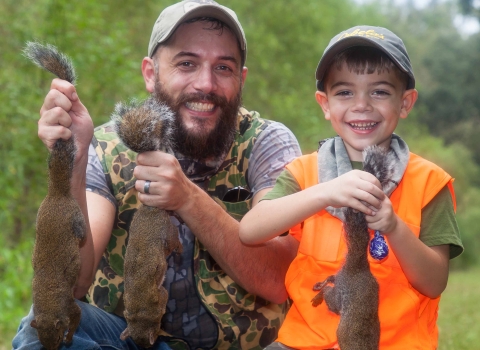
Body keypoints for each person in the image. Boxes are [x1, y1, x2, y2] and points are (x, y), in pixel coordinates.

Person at [13, 1, 302, 349]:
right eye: (187, 64)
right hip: (129, 339)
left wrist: (188, 199)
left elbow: (280, 279)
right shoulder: (107, 146)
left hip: (243, 343)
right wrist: (73, 159)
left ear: (241, 79)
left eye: (223, 68)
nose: (206, 84)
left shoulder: (267, 143)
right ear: (150, 73)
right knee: (42, 323)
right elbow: (74, 283)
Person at [239, 25, 464, 349]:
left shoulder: (429, 182)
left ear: (405, 102)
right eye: (345, 92)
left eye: (380, 91)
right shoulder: (304, 172)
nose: (362, 104)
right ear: (325, 103)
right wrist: (325, 192)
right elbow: (250, 231)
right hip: (304, 342)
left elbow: (434, 282)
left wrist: (394, 227)